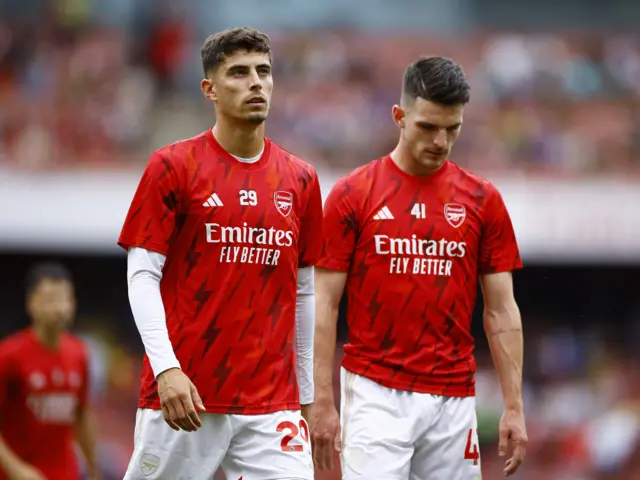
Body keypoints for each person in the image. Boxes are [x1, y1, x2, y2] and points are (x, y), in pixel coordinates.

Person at [118, 27, 322, 480]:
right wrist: (167, 369)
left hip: (272, 404)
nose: (256, 82)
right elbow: (142, 276)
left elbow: (304, 293)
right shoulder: (172, 166)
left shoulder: (301, 179)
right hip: (185, 396)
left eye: (264, 71)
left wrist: (306, 392)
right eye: (239, 72)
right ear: (209, 88)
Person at [311, 56, 528, 479]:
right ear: (399, 116)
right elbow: (323, 303)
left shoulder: (483, 201)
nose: (441, 141)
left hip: (454, 399)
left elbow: (501, 311)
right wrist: (322, 399)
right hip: (376, 392)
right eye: (428, 127)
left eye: (453, 129)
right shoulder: (353, 194)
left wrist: (514, 406)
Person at [0, 262, 98, 480]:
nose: (59, 307)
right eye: (50, 299)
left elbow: (82, 416)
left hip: (64, 474)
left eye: (65, 298)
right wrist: (15, 469)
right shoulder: (8, 356)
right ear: (31, 303)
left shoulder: (80, 353)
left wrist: (93, 470)